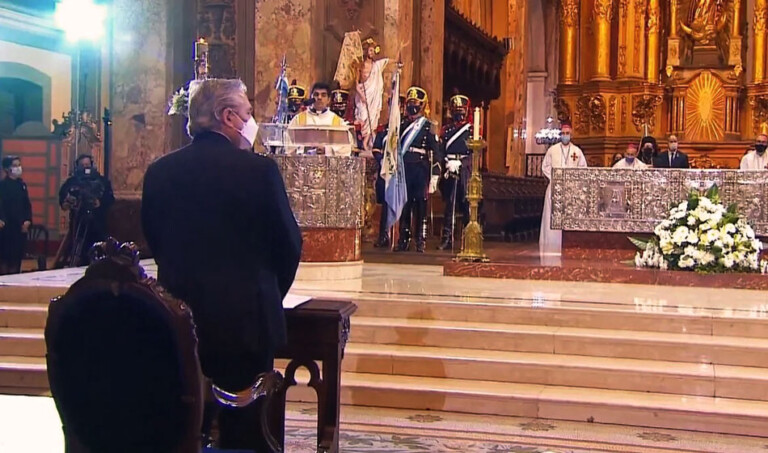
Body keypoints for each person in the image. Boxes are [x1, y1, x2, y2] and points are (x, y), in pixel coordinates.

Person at [141, 78, 302, 452]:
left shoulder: (160, 172)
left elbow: (155, 240)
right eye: (247, 113)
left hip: (179, 321)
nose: (250, 121)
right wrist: (268, 293)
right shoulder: (259, 171)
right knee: (246, 431)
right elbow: (288, 245)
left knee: (185, 422)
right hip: (246, 324)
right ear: (228, 117)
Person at [394, 86, 441, 253]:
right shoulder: (401, 125)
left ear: (422, 105)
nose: (411, 106)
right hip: (404, 168)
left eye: (415, 103)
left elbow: (436, 152)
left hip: (420, 169)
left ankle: (420, 239)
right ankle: (403, 239)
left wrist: (435, 175)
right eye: (409, 102)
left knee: (421, 205)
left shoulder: (428, 126)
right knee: (404, 205)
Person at [56, 154, 114, 268]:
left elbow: (110, 199)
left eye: (87, 165)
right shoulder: (72, 182)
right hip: (78, 223)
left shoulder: (102, 181)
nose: (85, 168)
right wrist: (67, 202)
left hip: (98, 224)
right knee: (78, 253)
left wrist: (99, 202)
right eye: (82, 165)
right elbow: (63, 197)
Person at [539, 123, 587, 255]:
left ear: (571, 135)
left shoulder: (577, 151)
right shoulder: (552, 150)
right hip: (555, 187)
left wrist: (574, 181)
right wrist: (555, 178)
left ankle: (569, 244)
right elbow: (545, 166)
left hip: (571, 189)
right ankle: (550, 243)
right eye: (563, 133)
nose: (565, 136)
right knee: (551, 216)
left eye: (568, 133)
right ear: (560, 135)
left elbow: (583, 169)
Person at [437, 92, 473, 251]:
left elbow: (474, 154)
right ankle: (447, 237)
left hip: (464, 170)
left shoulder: (471, 130)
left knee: (466, 204)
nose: (458, 113)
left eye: (461, 110)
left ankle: (469, 238)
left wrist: (461, 163)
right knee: (449, 205)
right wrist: (446, 162)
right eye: (456, 110)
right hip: (449, 168)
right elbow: (441, 150)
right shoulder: (446, 130)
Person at [371, 94, 405, 248]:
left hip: (401, 173)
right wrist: (383, 161)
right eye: (392, 105)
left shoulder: (405, 129)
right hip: (386, 172)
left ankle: (401, 237)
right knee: (385, 203)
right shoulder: (383, 129)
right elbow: (376, 149)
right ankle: (383, 235)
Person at [288, 82, 353, 156]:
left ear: (329, 100)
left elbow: (346, 149)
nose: (319, 98)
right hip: (304, 162)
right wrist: (306, 148)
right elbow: (288, 144)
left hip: (328, 163)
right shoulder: (298, 119)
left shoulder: (338, 123)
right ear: (311, 97)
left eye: (323, 95)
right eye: (316, 94)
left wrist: (326, 150)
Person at [0, 156, 32, 275]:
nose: (18, 168)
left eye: (19, 165)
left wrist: (27, 220)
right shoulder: (2, 185)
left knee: (16, 258)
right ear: (6, 169)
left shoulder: (21, 185)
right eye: (14, 165)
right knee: (4, 259)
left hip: (20, 228)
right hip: (5, 228)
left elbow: (27, 205)